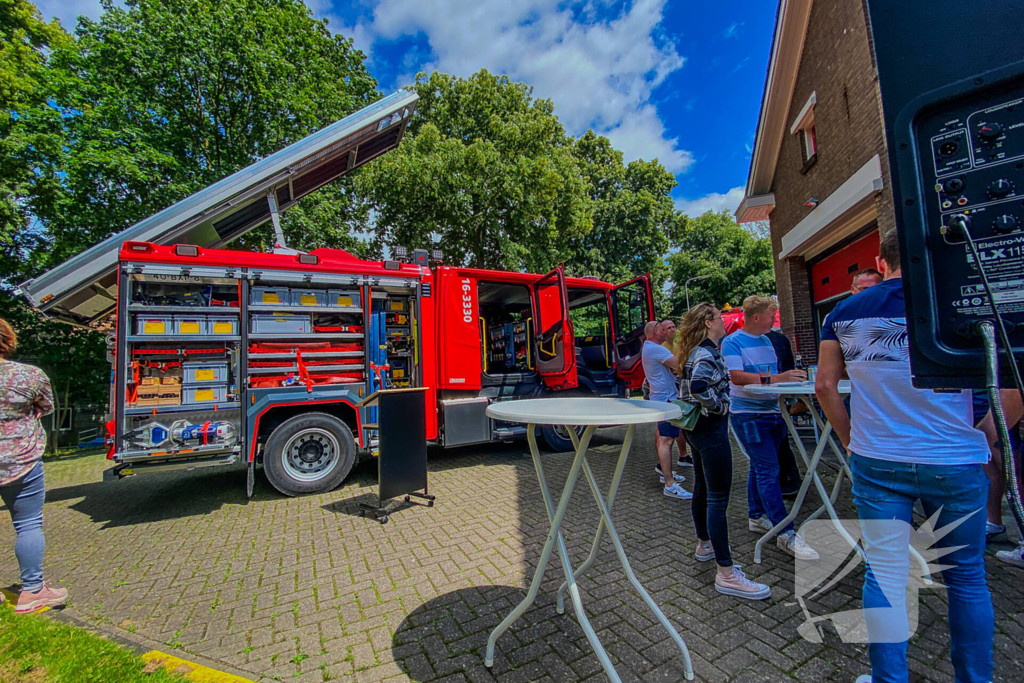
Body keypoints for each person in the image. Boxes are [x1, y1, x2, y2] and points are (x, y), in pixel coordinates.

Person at [815, 230, 993, 683]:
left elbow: (825, 386)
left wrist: (851, 439)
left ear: (881, 261)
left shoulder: (843, 313)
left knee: (884, 575)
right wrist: (982, 435)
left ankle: (889, 678)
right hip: (953, 459)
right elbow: (1011, 387)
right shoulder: (963, 305)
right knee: (966, 578)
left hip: (878, 459)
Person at [676, 303, 770, 599]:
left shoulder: (694, 351)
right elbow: (698, 387)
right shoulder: (705, 353)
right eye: (719, 317)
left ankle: (705, 545)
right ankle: (726, 573)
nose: (724, 322)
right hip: (710, 429)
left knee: (702, 489)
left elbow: (688, 386)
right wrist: (720, 407)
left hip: (695, 428)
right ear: (707, 323)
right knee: (717, 499)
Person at [721, 296, 817, 560]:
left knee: (761, 466)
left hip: (774, 411)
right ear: (756, 317)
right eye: (771, 315)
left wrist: (788, 385)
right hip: (749, 415)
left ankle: (756, 516)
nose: (774, 320)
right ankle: (785, 531)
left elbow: (767, 378)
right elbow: (736, 376)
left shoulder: (767, 340)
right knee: (769, 471)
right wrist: (779, 378)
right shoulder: (732, 342)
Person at [0, 319, 68, 613]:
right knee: (27, 524)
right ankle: (32, 591)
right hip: (21, 461)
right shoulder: (29, 375)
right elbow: (46, 407)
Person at [641, 320, 691, 500]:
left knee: (663, 436)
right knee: (666, 440)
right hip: (666, 399)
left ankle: (665, 472)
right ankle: (669, 484)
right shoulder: (657, 349)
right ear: (656, 331)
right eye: (663, 329)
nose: (665, 332)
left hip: (660, 397)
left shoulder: (648, 348)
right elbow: (680, 365)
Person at [765, 328, 801, 496]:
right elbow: (788, 366)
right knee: (781, 439)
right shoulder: (780, 338)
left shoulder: (757, 340)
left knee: (776, 441)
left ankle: (786, 480)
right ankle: (790, 478)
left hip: (768, 395)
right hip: (782, 393)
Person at [659, 319, 693, 468]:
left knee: (679, 424)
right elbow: (677, 366)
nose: (673, 329)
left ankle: (683, 455)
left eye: (673, 327)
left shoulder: (677, 346)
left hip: (678, 388)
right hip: (668, 392)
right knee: (665, 432)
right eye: (669, 328)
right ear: (662, 331)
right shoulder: (662, 348)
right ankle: (662, 464)